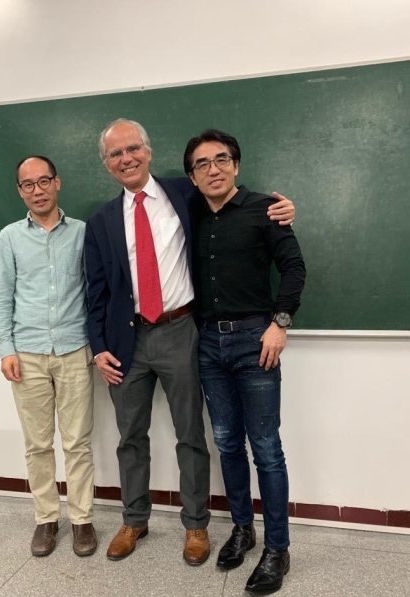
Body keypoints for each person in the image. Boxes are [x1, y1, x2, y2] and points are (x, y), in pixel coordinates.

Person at [84, 119, 295, 565]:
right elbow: (97, 290)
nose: (126, 158)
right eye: (116, 154)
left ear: (148, 151)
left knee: (192, 434)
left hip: (182, 330)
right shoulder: (101, 221)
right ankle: (134, 519)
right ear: (106, 164)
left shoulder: (186, 193)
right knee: (129, 436)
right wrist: (97, 345)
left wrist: (280, 210)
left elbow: (232, 199)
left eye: (133, 148)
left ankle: (196, 525)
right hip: (126, 340)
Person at [184, 129, 306, 596]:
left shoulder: (265, 209)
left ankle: (278, 548)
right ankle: (242, 529)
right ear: (192, 176)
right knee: (226, 443)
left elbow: (294, 267)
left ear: (236, 164)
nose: (212, 169)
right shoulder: (188, 214)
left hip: (258, 341)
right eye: (201, 164)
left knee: (266, 447)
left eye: (221, 160)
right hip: (208, 344)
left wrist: (280, 322)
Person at [0, 156, 96, 558]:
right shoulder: (9, 238)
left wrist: (95, 345)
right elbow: (0, 298)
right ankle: (46, 519)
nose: (37, 190)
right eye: (28, 184)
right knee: (37, 444)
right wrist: (5, 350)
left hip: (73, 351)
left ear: (58, 183)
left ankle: (83, 519)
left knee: (78, 443)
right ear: (20, 191)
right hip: (27, 355)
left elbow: (94, 293)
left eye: (44, 181)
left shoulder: (84, 234)